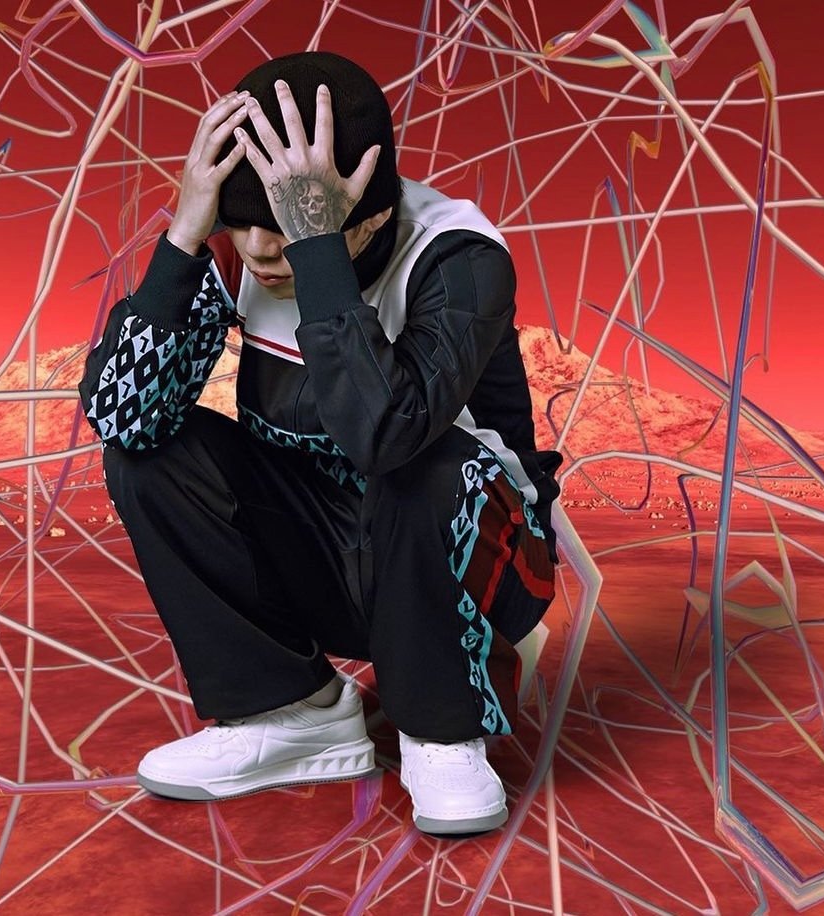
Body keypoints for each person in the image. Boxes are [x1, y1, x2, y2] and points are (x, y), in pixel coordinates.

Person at [78, 51, 563, 835]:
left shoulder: (458, 257)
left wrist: (318, 251)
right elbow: (121, 417)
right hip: (329, 558)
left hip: (477, 563)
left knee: (426, 462)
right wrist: (186, 232)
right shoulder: (239, 247)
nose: (259, 250)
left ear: (369, 215)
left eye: (283, 227)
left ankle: (441, 728)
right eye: (241, 222)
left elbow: (384, 436)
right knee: (151, 452)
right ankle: (293, 712)